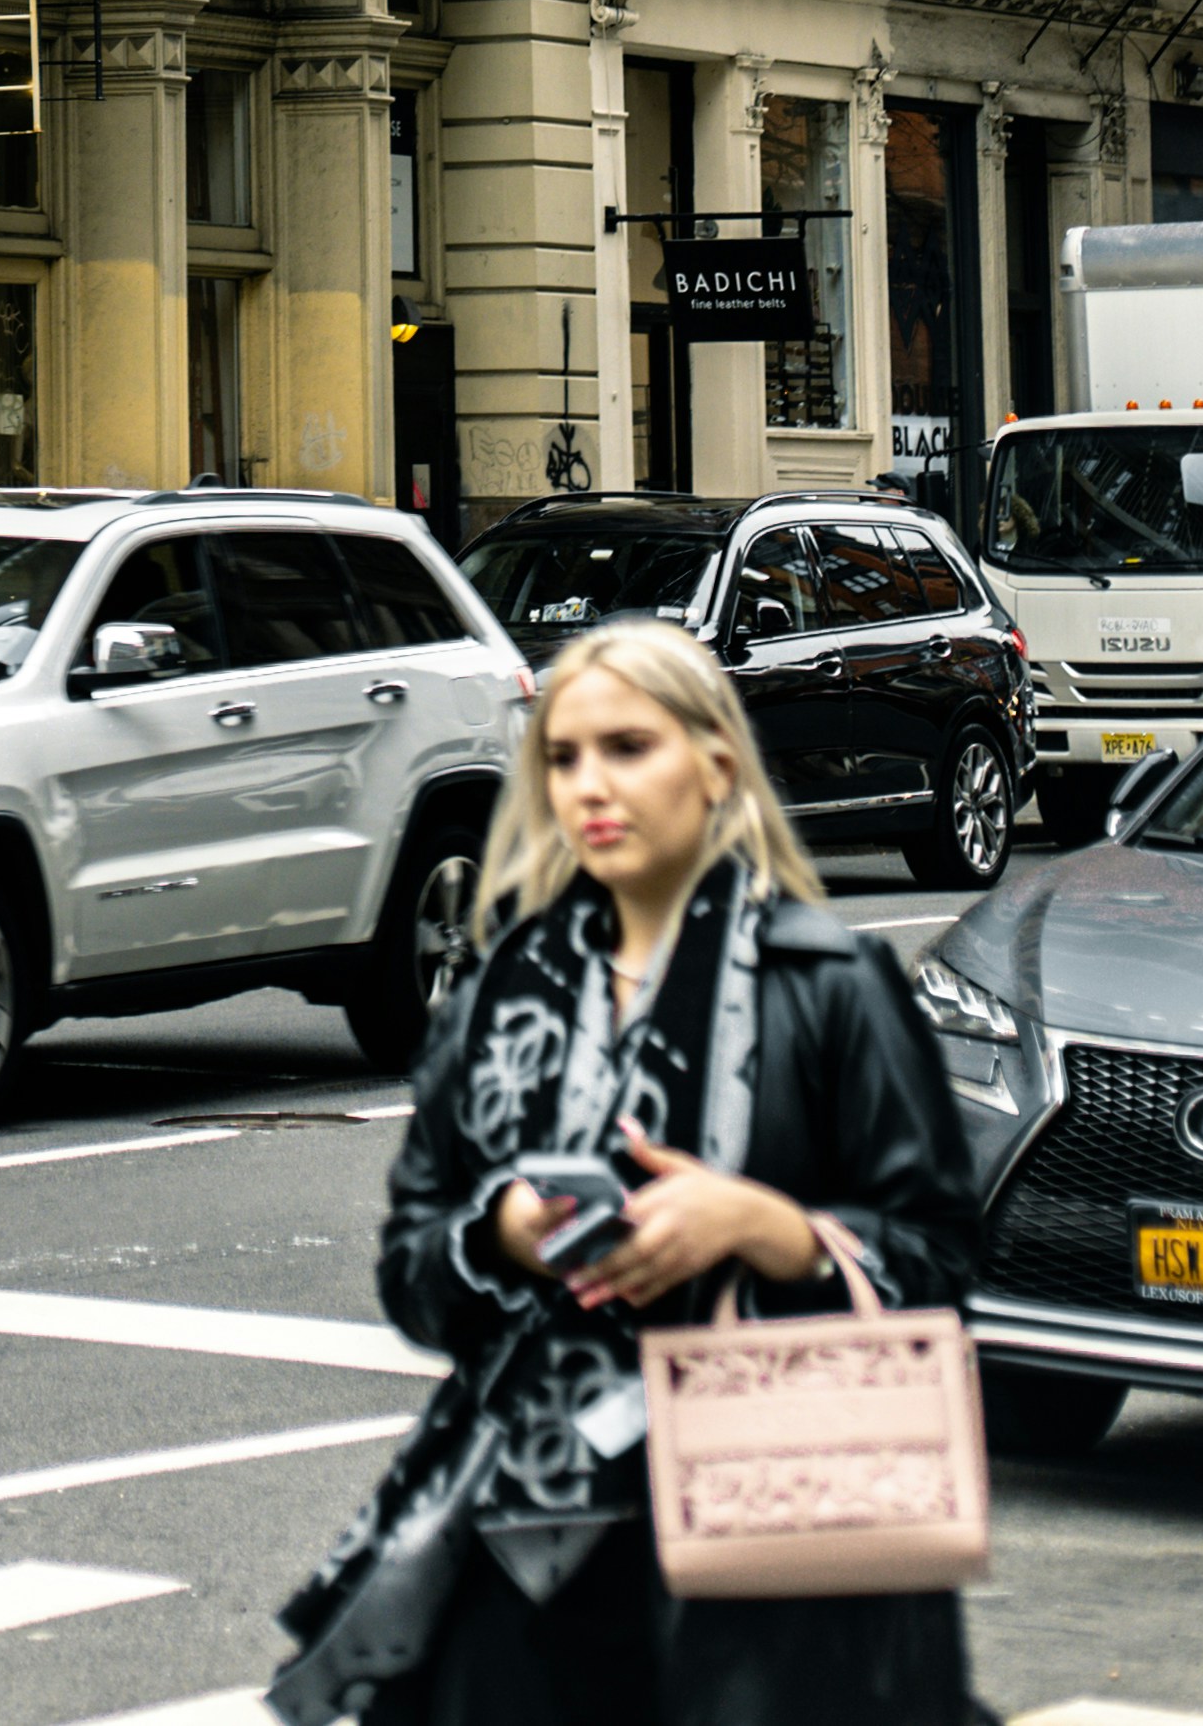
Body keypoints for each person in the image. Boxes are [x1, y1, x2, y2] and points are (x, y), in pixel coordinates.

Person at [274, 616, 980, 1726]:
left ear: (712, 762)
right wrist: (497, 1231)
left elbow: (939, 1258)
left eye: (626, 746)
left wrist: (760, 1226)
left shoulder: (830, 982)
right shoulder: (499, 993)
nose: (588, 783)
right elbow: (411, 1267)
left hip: (766, 1536)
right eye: (561, 755)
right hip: (526, 1532)